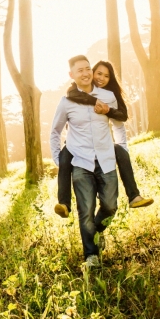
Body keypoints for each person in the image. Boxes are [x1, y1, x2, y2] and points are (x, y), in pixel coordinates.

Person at [54, 60, 154, 220]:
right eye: (98, 73)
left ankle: (134, 196)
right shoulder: (74, 92)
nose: (101, 78)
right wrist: (95, 101)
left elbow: (121, 119)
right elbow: (71, 97)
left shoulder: (109, 96)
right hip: (76, 144)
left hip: (103, 143)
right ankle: (64, 203)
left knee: (121, 152)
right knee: (64, 158)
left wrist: (108, 110)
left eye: (106, 76)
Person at [50, 55, 119, 267]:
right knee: (85, 210)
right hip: (80, 162)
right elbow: (55, 131)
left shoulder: (107, 96)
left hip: (106, 160)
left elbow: (118, 123)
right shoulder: (66, 102)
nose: (86, 73)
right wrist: (58, 160)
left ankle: (97, 231)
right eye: (79, 70)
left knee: (110, 206)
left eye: (88, 68)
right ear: (72, 75)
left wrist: (122, 150)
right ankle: (91, 255)